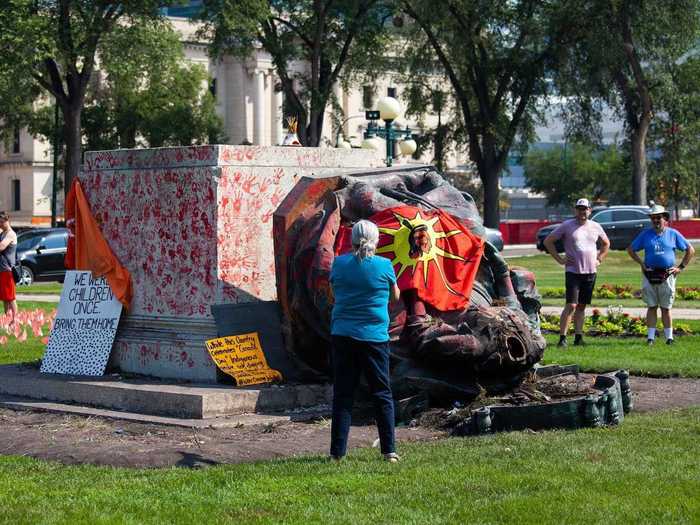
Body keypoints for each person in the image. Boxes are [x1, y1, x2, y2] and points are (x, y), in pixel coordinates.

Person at [329, 219, 401, 462]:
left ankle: (337, 454)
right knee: (381, 393)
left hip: (342, 335)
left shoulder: (338, 264)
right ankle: (389, 451)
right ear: (376, 240)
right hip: (374, 338)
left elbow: (334, 293)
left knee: (343, 395)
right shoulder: (385, 265)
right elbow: (395, 295)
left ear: (352, 239)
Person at [543, 198, 610, 347]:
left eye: (585, 209)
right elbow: (548, 241)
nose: (582, 211)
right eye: (580, 209)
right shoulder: (567, 226)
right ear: (575, 210)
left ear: (589, 210)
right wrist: (560, 259)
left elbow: (606, 243)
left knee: (581, 306)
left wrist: (599, 259)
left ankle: (578, 337)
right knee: (571, 305)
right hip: (573, 271)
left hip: (590, 272)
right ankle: (562, 338)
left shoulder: (595, 226)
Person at [626, 204, 694, 345]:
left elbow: (690, 250)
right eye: (653, 218)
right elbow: (631, 249)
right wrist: (642, 263)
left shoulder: (673, 234)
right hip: (649, 274)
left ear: (665, 218)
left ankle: (669, 338)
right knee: (651, 306)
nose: (655, 220)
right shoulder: (645, 234)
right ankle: (650, 338)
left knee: (666, 307)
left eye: (658, 217)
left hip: (667, 275)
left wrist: (680, 267)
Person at [0, 211, 18, 324]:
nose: (0, 224)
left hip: (7, 270)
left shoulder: (11, 234)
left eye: (2, 222)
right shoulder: (3, 233)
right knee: (4, 298)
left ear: (7, 220)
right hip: (2, 270)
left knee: (11, 298)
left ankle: (14, 322)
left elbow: (1, 247)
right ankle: (7, 321)